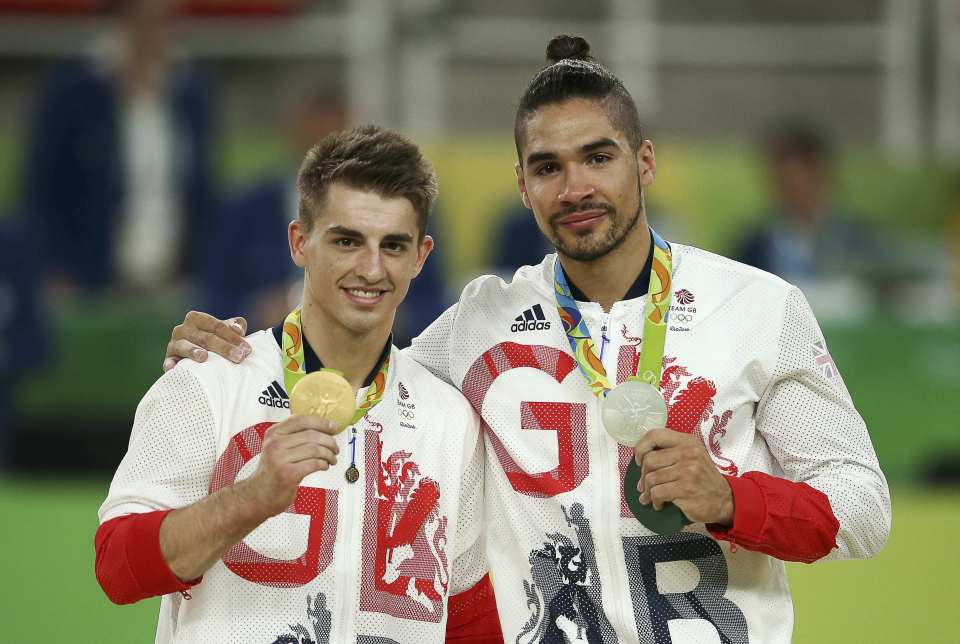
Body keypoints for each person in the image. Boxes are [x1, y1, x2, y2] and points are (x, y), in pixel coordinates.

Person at [164, 35, 891, 643]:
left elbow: (862, 507)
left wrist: (733, 499)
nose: (574, 186)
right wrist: (233, 352)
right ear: (522, 186)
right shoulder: (481, 322)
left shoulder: (758, 307)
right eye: (548, 167)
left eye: (598, 158)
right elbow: (366, 381)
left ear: (645, 162)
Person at [96, 126, 500, 643]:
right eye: (347, 240)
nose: (371, 268)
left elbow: (466, 617)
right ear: (299, 242)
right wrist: (253, 497)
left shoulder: (448, 417)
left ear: (421, 256)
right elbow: (117, 567)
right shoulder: (210, 382)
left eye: (393, 245)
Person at [199, 84, 449, 345]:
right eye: (314, 128)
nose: (323, 138)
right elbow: (210, 300)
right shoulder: (242, 210)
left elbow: (433, 306)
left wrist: (386, 312)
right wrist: (256, 311)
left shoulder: (407, 206)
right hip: (265, 353)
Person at [25, 0, 216, 294]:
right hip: (91, 283)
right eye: (142, 19)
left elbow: (202, 188)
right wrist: (53, 267)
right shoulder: (74, 90)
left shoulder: (190, 91)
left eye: (162, 19)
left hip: (174, 282)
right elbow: (42, 189)